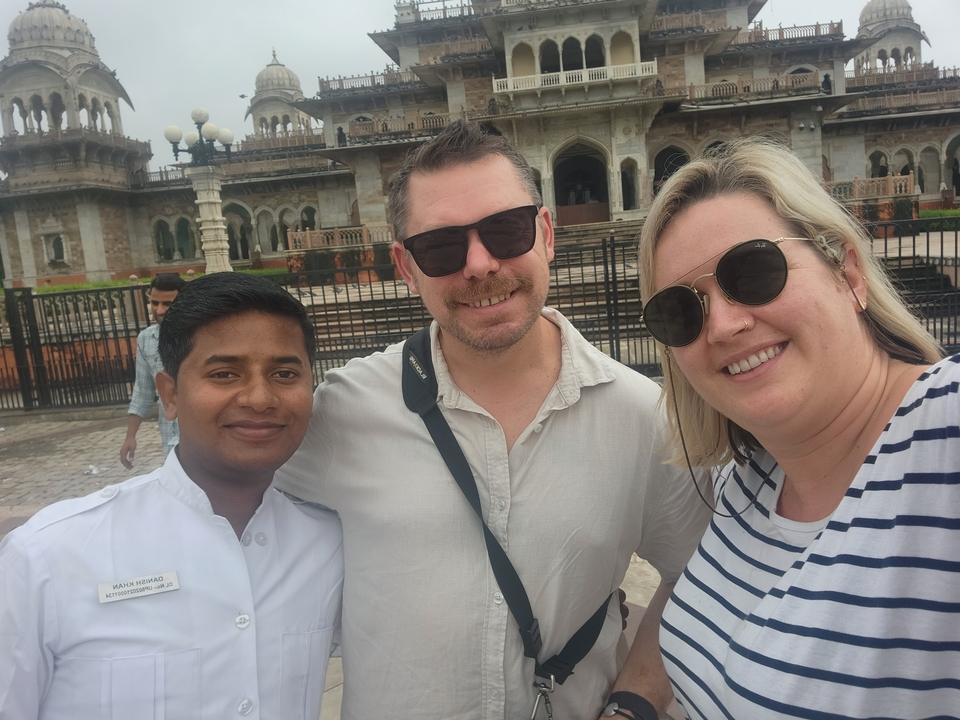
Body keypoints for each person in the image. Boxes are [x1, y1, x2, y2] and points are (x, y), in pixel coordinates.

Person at [275, 120, 711, 720]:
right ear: (406, 266)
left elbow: (701, 575)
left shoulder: (639, 415)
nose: (479, 265)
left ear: (546, 233)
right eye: (441, 247)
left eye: (506, 230)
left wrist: (634, 700)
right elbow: (236, 540)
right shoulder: (345, 411)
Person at [637, 138, 957, 719]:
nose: (726, 326)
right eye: (682, 310)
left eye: (753, 272)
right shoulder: (749, 484)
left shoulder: (946, 435)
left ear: (849, 273)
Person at [0, 273, 343, 719]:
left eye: (284, 373)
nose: (261, 398)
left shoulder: (328, 544)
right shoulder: (50, 556)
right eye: (224, 374)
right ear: (170, 395)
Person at [120, 273, 185, 468]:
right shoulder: (146, 339)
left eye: (167, 304)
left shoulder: (201, 336)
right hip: (171, 441)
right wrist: (130, 436)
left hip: (205, 440)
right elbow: (143, 390)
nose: (160, 310)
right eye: (154, 303)